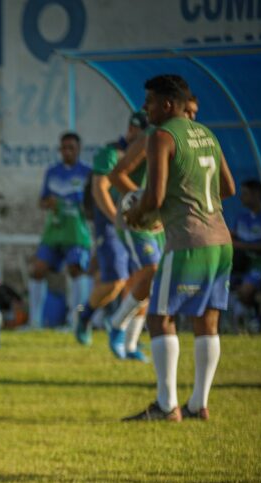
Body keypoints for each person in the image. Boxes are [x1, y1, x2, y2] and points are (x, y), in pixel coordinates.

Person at [123, 74, 236, 422]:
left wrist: (137, 216)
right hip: (221, 239)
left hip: (189, 241)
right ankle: (198, 404)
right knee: (207, 320)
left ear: (168, 104)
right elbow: (227, 188)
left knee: (160, 317)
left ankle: (166, 405)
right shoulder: (207, 134)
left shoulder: (161, 136)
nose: (145, 108)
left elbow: (153, 197)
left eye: (150, 101)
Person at [106, 95, 200, 359]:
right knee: (151, 271)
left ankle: (132, 344)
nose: (192, 119)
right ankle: (116, 325)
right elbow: (116, 175)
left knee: (151, 280)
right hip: (136, 218)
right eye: (189, 112)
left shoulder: (186, 140)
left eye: (196, 114)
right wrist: (142, 202)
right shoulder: (152, 135)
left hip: (160, 221)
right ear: (176, 108)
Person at [75, 111, 149, 352]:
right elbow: (100, 191)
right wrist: (120, 221)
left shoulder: (152, 153)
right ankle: (85, 316)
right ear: (132, 130)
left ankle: (129, 343)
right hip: (111, 224)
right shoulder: (111, 153)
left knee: (143, 281)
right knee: (115, 283)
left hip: (140, 222)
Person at [27, 132, 92, 330]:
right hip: (54, 230)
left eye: (71, 148)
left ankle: (76, 320)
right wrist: (50, 203)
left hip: (76, 232)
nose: (67, 152)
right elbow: (42, 201)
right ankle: (35, 321)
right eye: (63, 148)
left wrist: (74, 204)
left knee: (76, 270)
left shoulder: (87, 173)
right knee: (38, 269)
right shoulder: (52, 172)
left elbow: (91, 205)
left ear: (78, 149)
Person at [229, 179, 261, 331]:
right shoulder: (240, 218)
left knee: (246, 290)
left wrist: (242, 245)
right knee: (223, 285)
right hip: (240, 263)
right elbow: (232, 237)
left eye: (244, 194)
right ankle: (241, 321)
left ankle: (256, 320)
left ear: (256, 194)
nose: (241, 197)